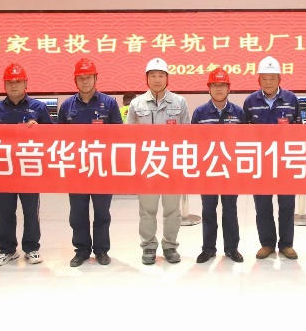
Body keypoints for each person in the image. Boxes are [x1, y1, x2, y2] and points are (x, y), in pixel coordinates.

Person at [60, 57, 123, 267]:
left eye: (88, 77)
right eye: (81, 78)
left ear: (96, 78)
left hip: (102, 168)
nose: (85, 81)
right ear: (75, 80)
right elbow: (58, 138)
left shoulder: (109, 103)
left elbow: (119, 135)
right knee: (77, 213)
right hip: (76, 169)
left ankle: (102, 250)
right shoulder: (67, 106)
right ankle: (82, 250)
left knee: (102, 212)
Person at [0, 63, 52, 267]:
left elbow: (52, 136)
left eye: (18, 82)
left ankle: (31, 248)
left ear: (26, 83)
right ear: (4, 85)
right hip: (4, 168)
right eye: (10, 82)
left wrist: (39, 129)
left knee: (30, 211)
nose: (14, 85)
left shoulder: (38, 107)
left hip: (29, 167)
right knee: (4, 211)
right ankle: (7, 250)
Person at [127, 58, 188, 265]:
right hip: (147, 165)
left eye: (161, 75)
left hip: (172, 166)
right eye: (152, 75)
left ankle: (170, 246)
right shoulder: (136, 104)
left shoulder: (179, 102)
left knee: (172, 210)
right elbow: (130, 138)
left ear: (167, 78)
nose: (157, 79)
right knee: (147, 210)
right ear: (146, 78)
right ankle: (149, 246)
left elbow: (187, 135)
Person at [242, 55, 301, 260]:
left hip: (286, 161)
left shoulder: (291, 99)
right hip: (261, 162)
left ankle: (286, 244)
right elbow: (244, 132)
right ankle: (267, 243)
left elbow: (298, 130)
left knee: (287, 205)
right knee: (263, 206)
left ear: (279, 79)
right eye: (264, 78)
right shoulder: (250, 101)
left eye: (272, 78)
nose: (268, 82)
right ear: (259, 79)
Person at [192, 68, 245, 264]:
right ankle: (208, 249)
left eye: (222, 85)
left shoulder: (239, 113)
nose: (219, 89)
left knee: (230, 209)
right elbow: (194, 142)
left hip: (231, 170)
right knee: (208, 210)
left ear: (229, 88)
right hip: (208, 170)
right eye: (215, 85)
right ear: (209, 88)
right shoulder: (200, 113)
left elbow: (245, 142)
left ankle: (232, 248)